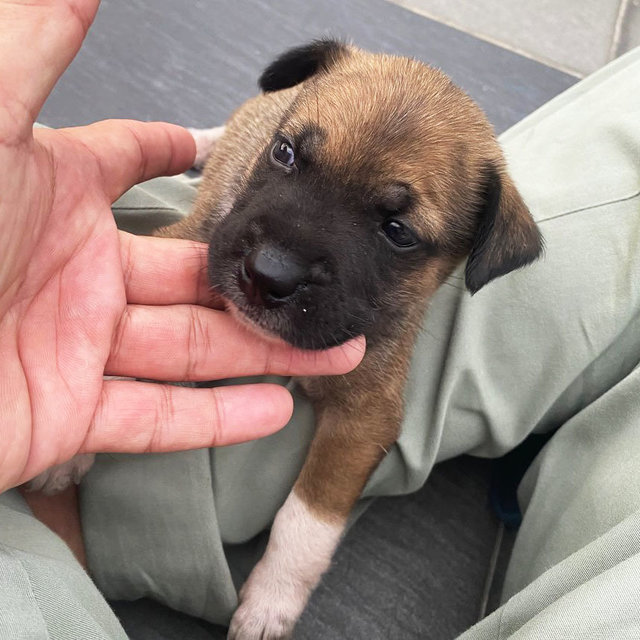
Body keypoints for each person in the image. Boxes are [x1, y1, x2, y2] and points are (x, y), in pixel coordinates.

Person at [2, 1, 640, 639]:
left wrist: (287, 577)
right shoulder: (294, 114)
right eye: (287, 155)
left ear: (475, 255)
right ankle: (220, 144)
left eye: (395, 231)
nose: (274, 263)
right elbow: (153, 280)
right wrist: (86, 431)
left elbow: (366, 415)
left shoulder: (487, 218)